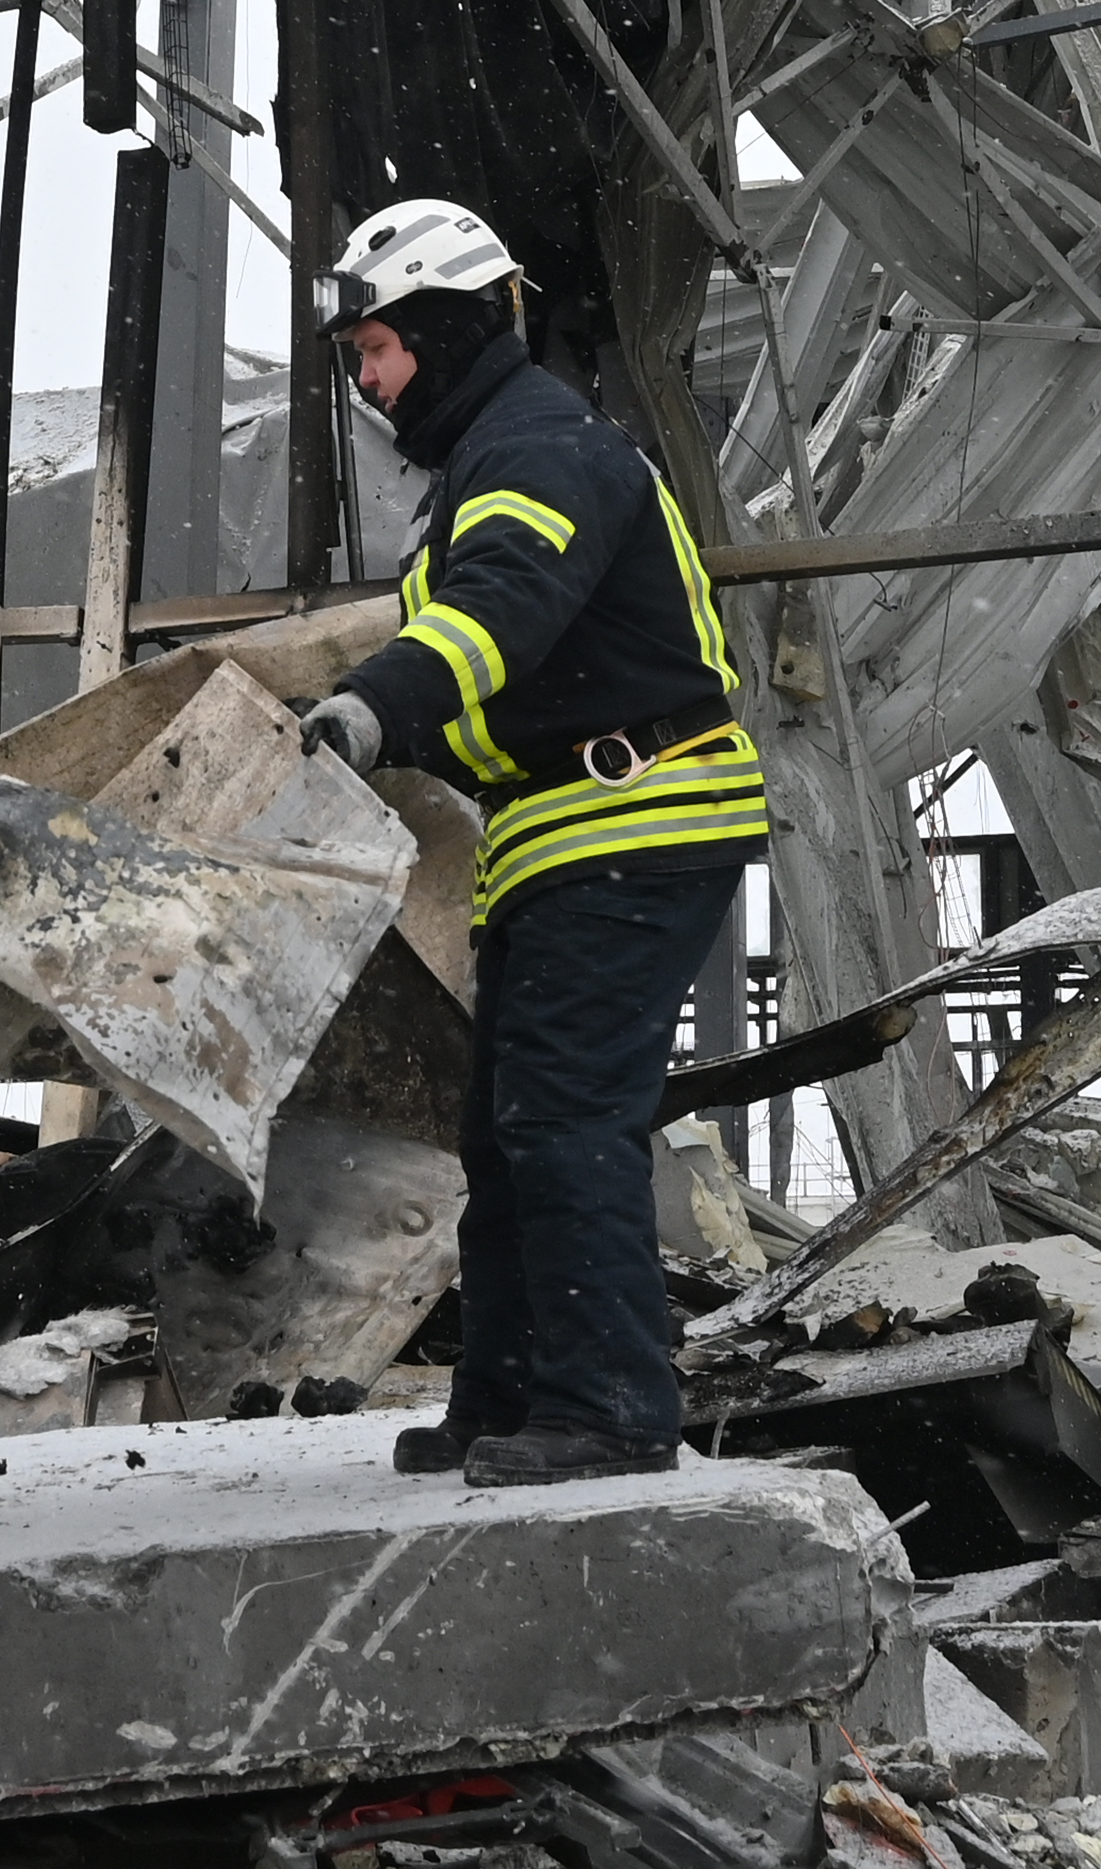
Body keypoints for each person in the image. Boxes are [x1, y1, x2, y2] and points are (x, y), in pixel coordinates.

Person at [294, 200, 767, 1487]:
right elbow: (502, 664)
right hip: (561, 832)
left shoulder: (540, 452)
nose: (369, 382)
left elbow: (501, 609)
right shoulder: (490, 462)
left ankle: (610, 1410)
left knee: (562, 1116)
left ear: (448, 329)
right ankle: (504, 1400)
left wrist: (371, 707)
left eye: (378, 349)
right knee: (506, 1133)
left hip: (634, 818)